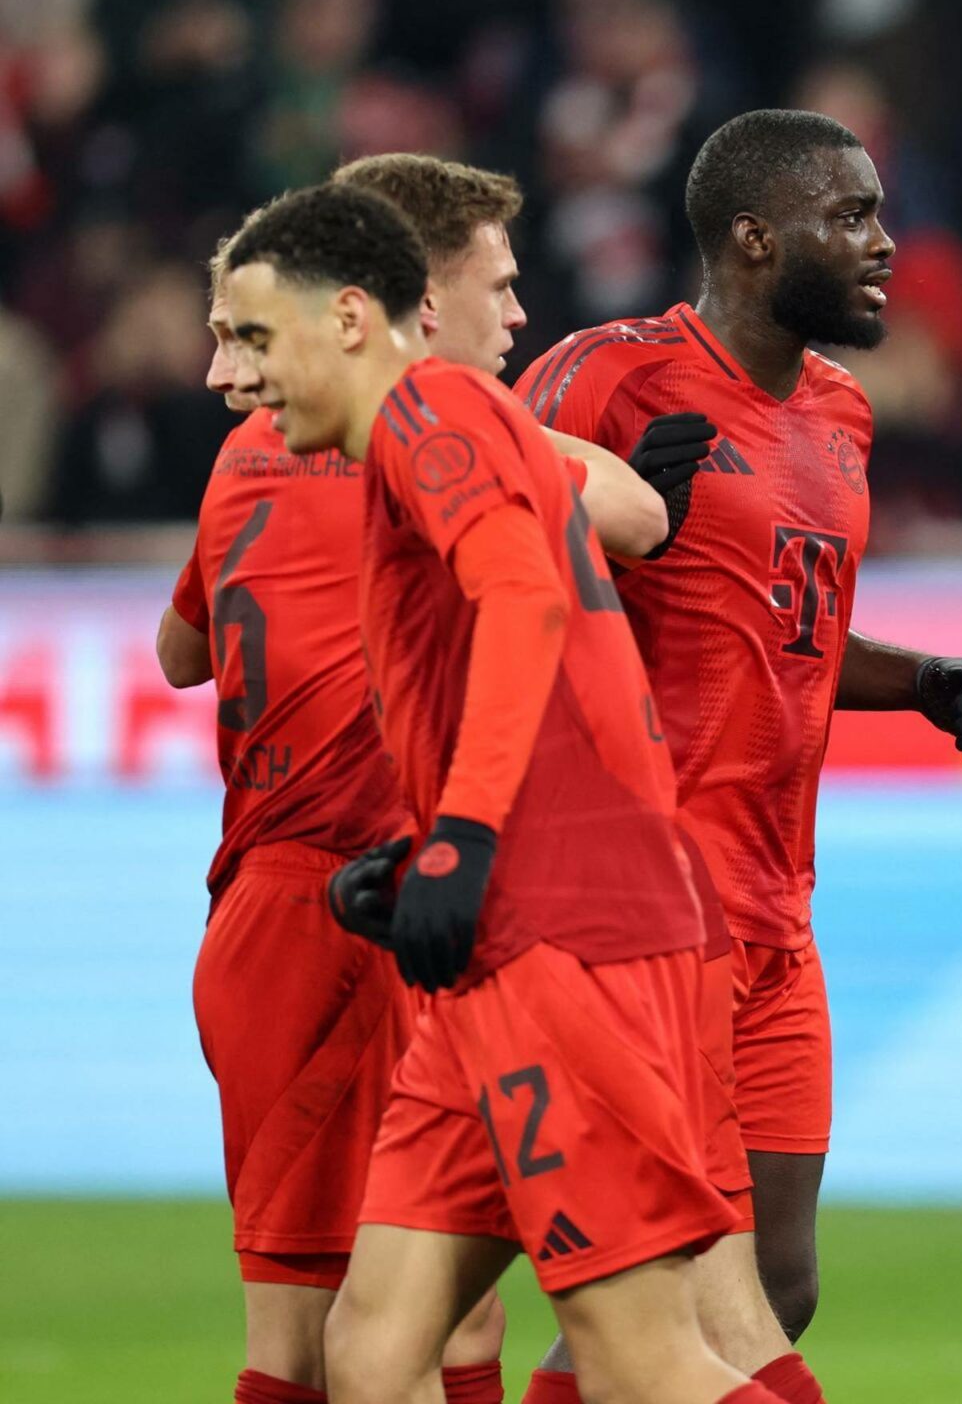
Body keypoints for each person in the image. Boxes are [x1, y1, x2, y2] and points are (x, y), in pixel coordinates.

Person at [216, 181, 782, 1404]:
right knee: (373, 1350)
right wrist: (427, 851)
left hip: (568, 939)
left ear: (349, 319)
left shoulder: (432, 408)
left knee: (639, 1356)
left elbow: (522, 599)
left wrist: (467, 835)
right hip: (497, 949)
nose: (234, 376)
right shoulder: (438, 433)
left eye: (256, 337)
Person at [511, 108, 962, 1388]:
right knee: (665, 1287)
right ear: (753, 238)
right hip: (646, 904)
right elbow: (483, 573)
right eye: (851, 217)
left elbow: (785, 628)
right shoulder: (602, 377)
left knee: (776, 1284)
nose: (886, 245)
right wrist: (614, 525)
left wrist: (920, 680)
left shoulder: (840, 412)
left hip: (779, 908)